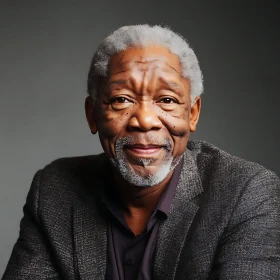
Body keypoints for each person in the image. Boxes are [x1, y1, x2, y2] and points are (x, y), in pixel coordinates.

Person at [3, 24, 280, 280]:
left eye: (167, 100)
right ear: (92, 115)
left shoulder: (246, 193)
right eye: (122, 99)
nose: (144, 120)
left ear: (192, 114)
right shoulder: (54, 190)